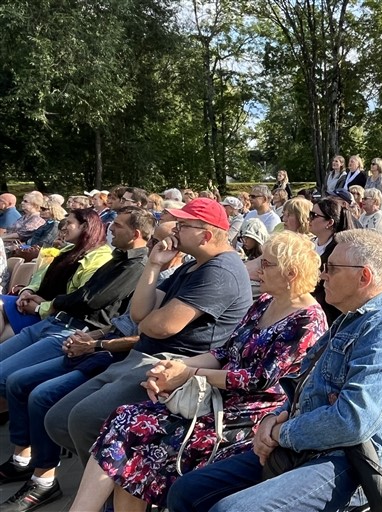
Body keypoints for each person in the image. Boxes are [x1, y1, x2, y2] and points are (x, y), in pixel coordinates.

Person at [166, 229, 382, 512]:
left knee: (230, 511)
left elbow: (352, 422)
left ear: (364, 276)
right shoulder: (351, 320)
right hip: (312, 444)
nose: (323, 275)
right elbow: (304, 386)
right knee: (186, 491)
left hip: (355, 460)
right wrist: (272, 420)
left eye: (332, 268)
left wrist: (280, 433)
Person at [67, 231, 327, 512]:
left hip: (249, 416)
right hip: (218, 399)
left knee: (136, 433)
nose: (257, 268)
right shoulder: (266, 302)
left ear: (290, 273)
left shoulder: (307, 321)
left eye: (266, 263)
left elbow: (256, 380)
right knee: (125, 420)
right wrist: (175, 367)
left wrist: (188, 375)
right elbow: (225, 353)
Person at [45, 199, 253, 463]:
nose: (174, 229)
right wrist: (153, 264)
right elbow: (139, 314)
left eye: (182, 225)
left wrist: (147, 323)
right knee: (57, 420)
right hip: (142, 357)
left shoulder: (221, 272)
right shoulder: (193, 265)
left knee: (84, 420)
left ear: (206, 235)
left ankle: (116, 484)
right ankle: (115, 474)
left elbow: (161, 327)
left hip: (170, 366)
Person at [0, 208, 154, 510]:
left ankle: (44, 478)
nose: (111, 229)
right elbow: (76, 292)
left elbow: (92, 301)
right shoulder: (117, 259)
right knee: (17, 382)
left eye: (118, 226)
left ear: (135, 234)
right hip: (66, 326)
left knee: (30, 389)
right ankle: (23, 457)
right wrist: (35, 294)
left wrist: (92, 339)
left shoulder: (138, 267)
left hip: (87, 337)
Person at [0, 209, 111, 337]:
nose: (63, 227)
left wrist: (41, 308)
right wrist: (28, 291)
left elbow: (78, 298)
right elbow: (40, 276)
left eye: (69, 223)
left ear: (85, 226)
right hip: (34, 303)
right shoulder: (68, 250)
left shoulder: (99, 259)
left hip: (53, 315)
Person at [310, 197, 355, 324]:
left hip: (326, 311)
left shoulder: (338, 251)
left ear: (329, 222)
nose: (309, 219)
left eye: (314, 215)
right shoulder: (309, 244)